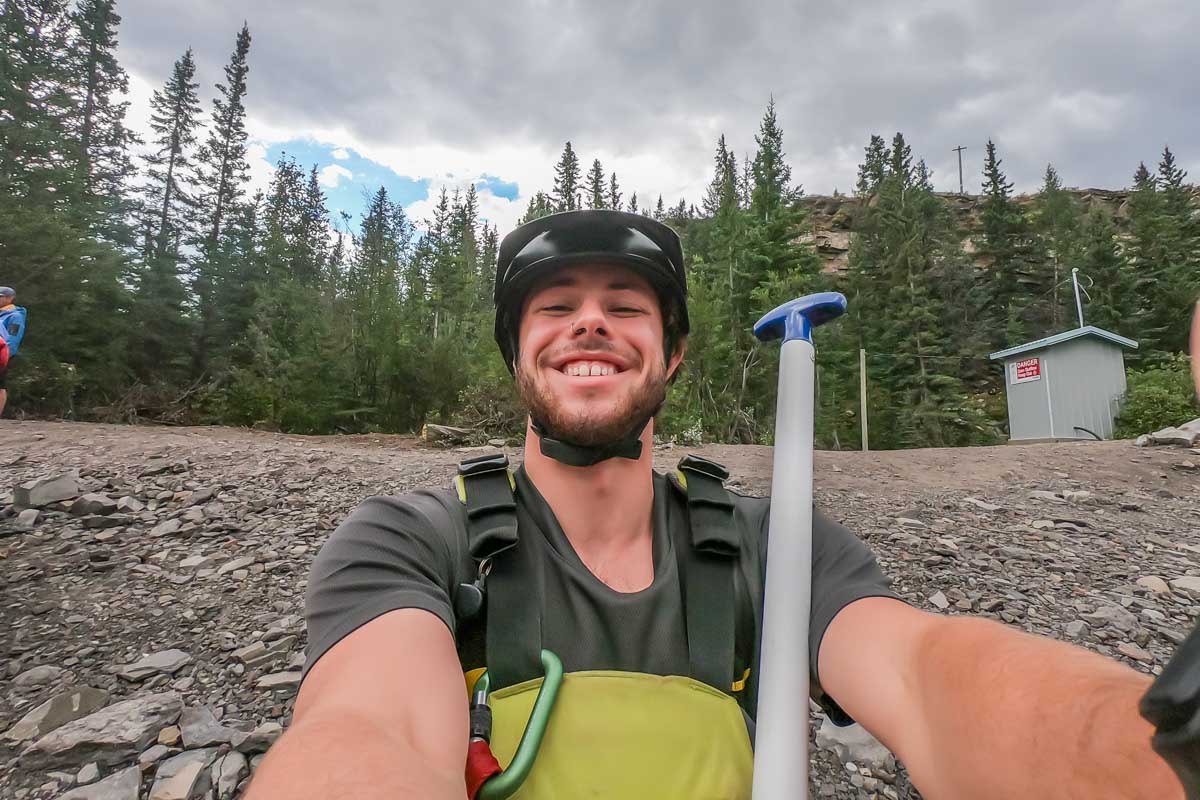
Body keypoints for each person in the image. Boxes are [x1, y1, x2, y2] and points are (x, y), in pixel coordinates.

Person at [247, 211, 1183, 800]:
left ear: (673, 353)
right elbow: (370, 732)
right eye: (554, 305)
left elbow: (925, 676)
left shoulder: (771, 544)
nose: (590, 322)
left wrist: (1146, 750)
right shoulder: (411, 539)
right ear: (515, 350)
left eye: (627, 304)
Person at [0, 286, 26, 418]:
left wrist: (6, 354)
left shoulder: (15, 316)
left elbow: (13, 337)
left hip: (3, 353)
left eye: (0, 297)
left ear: (10, 298)